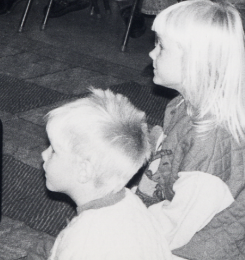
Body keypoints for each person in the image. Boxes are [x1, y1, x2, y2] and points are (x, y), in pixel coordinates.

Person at [139, 0, 245, 260]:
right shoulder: (182, 105)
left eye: (161, 46)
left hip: (201, 250)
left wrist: (130, 226)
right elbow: (165, 164)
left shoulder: (212, 142)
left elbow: (178, 225)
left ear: (196, 60)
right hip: (185, 223)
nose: (152, 53)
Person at [38, 89, 171, 260]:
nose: (44, 155)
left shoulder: (84, 241)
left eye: (54, 150)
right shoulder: (130, 201)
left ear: (84, 171)